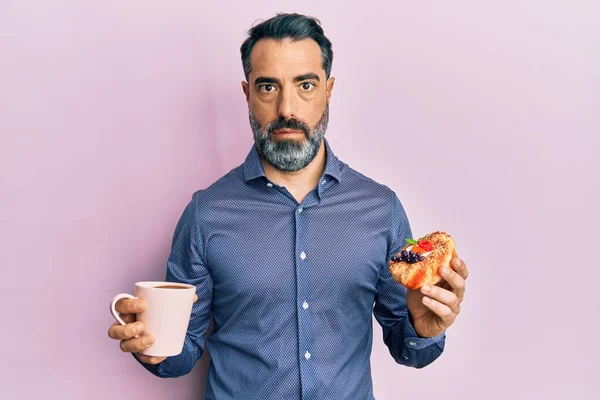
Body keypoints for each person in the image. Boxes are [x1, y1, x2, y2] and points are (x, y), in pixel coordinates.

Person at [107, 12, 468, 399]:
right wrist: (151, 345)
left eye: (305, 85)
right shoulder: (205, 214)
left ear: (328, 90)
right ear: (247, 93)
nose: (286, 109)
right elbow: (181, 353)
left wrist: (422, 329)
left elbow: (408, 347)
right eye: (268, 87)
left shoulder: (380, 209)